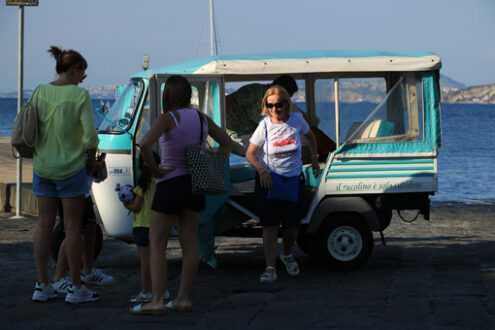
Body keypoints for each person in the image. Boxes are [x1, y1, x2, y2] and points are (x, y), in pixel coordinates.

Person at [129, 75, 232, 315]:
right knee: (190, 243)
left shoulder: (168, 118)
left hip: (170, 184)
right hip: (194, 185)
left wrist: (155, 170)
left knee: (157, 244)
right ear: (188, 94)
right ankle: (183, 298)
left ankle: (156, 301)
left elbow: (144, 145)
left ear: (168, 95)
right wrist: (212, 161)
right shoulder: (201, 118)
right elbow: (226, 143)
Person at [31, 46, 99, 304]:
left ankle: (42, 284)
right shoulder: (79, 95)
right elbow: (90, 136)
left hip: (42, 167)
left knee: (43, 225)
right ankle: (74, 287)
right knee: (72, 228)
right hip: (70, 168)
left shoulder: (39, 91)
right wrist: (91, 157)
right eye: (83, 72)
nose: (83, 78)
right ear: (74, 70)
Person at [245, 85, 320, 283]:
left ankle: (287, 253)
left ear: (287, 104)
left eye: (279, 104)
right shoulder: (264, 125)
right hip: (269, 180)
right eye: (270, 105)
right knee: (269, 226)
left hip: (293, 179)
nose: (274, 109)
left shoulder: (296, 121)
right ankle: (270, 267)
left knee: (292, 226)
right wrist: (262, 170)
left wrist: (314, 159)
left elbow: (311, 136)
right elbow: (250, 154)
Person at [52, 173, 115, 293]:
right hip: (73, 186)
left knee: (90, 227)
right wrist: (93, 164)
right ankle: (59, 278)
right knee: (75, 232)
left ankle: (88, 271)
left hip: (82, 186)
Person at [123, 153, 170, 303]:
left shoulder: (142, 186)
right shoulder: (161, 183)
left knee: (145, 262)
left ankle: (145, 292)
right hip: (160, 225)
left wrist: (126, 204)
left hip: (142, 227)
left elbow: (136, 207)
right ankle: (163, 290)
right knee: (160, 259)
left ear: (140, 166)